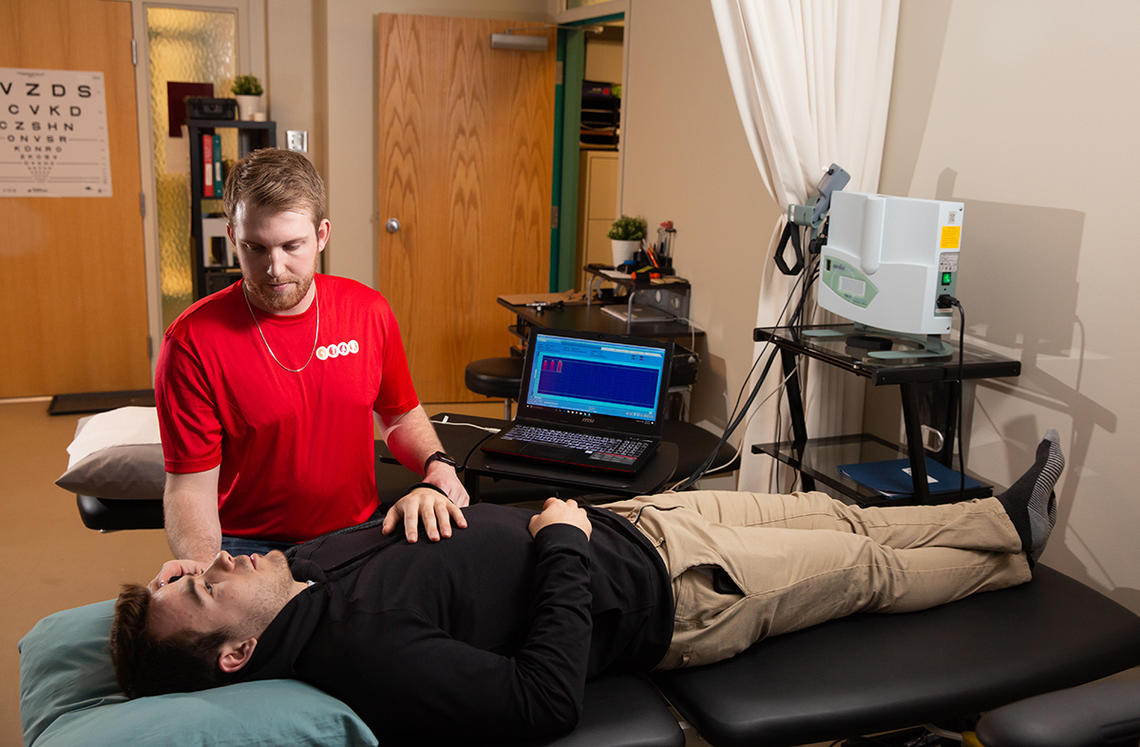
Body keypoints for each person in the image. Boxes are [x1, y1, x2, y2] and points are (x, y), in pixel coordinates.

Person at [112, 432, 1065, 743]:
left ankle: (995, 520)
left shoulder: (300, 571)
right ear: (236, 653)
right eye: (201, 591)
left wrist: (415, 504)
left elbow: (405, 538)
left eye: (193, 571)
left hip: (645, 522)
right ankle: (1007, 542)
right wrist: (564, 542)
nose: (218, 561)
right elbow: (543, 698)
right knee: (865, 567)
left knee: (837, 513)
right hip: (681, 591)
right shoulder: (358, 651)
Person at [151, 148, 468, 591]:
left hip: (356, 534)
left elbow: (398, 414)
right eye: (254, 248)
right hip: (249, 548)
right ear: (231, 236)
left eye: (291, 246)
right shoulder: (190, 342)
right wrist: (207, 571)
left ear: (321, 235)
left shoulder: (368, 310)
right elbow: (190, 486)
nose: (274, 268)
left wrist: (436, 464)